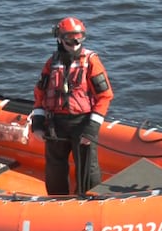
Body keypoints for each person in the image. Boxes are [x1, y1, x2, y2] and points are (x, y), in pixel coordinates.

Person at [30, 16, 114, 195]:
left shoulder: (91, 61)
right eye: (70, 39)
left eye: (79, 39)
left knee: (87, 170)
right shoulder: (51, 63)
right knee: (54, 170)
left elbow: (105, 96)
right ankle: (57, 202)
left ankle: (90, 202)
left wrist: (91, 129)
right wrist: (37, 123)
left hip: (82, 124)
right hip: (56, 124)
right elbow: (40, 93)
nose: (75, 44)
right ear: (60, 39)